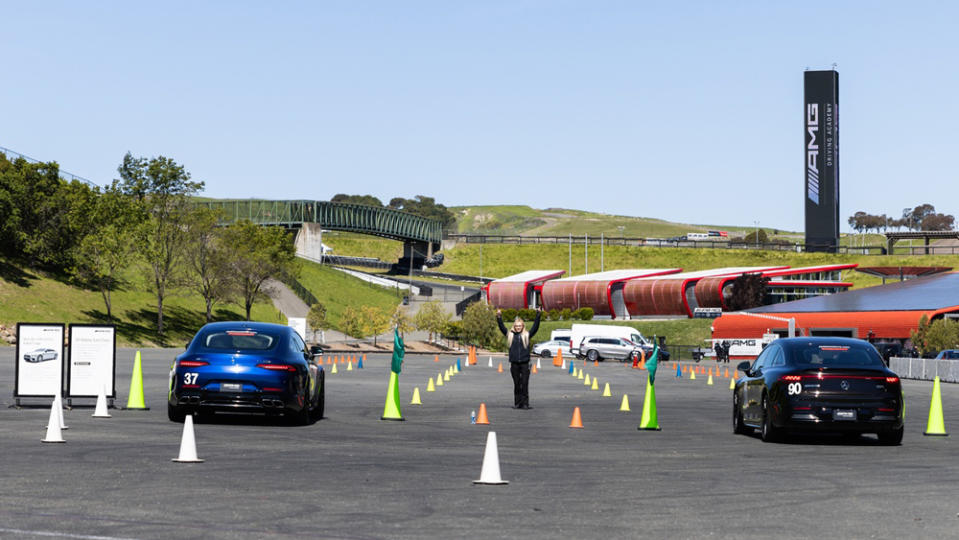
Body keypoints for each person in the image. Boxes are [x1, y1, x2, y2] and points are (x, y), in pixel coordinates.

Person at [496, 309, 541, 409]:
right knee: (517, 384)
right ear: (514, 327)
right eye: (516, 326)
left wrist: (538, 315)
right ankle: (517, 403)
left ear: (523, 326)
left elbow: (535, 327)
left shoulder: (527, 335)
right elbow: (502, 328)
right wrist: (499, 317)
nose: (518, 328)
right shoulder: (510, 335)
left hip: (525, 363)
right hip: (514, 363)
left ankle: (525, 403)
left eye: (520, 326)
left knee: (524, 383)